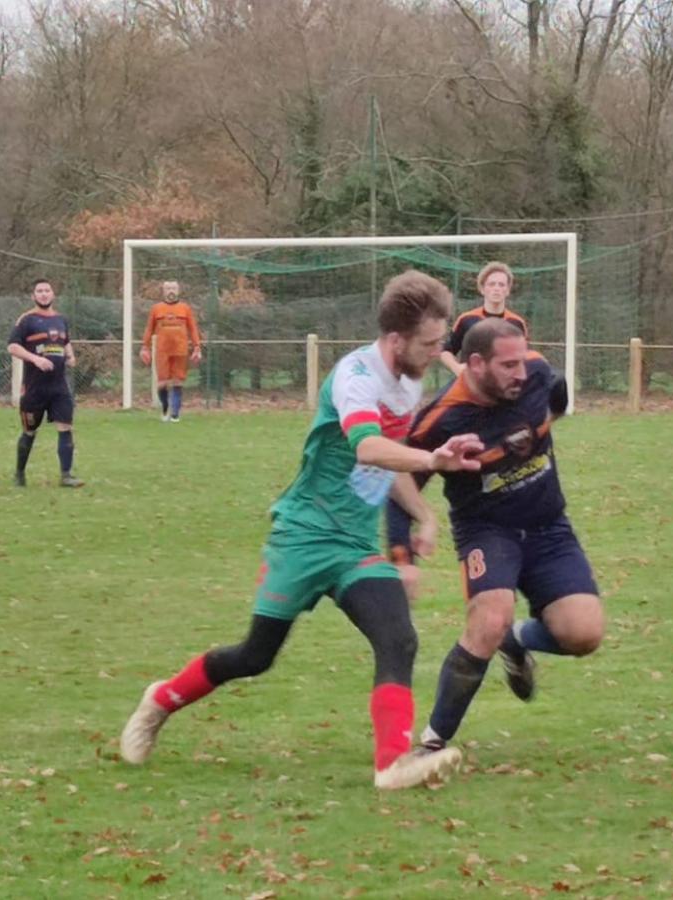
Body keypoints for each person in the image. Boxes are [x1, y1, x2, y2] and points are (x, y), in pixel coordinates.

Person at [120, 271, 485, 790]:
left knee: (398, 639)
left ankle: (391, 765)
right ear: (396, 339)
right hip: (304, 535)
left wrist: (423, 514)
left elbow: (387, 464)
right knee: (254, 656)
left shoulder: (410, 379)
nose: (437, 353)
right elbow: (366, 446)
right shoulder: (355, 376)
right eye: (429, 344)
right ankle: (160, 702)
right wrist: (434, 459)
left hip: (354, 543)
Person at [388, 318, 604, 754]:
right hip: (488, 531)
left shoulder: (537, 373)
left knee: (584, 634)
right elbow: (396, 483)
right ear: (474, 364)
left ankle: (518, 639)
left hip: (549, 527)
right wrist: (403, 558)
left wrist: (548, 416)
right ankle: (431, 743)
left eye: (521, 361)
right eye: (507, 366)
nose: (520, 374)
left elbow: (554, 398)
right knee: (489, 618)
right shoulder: (444, 418)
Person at [7, 278, 84, 488]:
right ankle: (19, 474)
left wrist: (70, 356)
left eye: (47, 290)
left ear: (53, 294)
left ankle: (66, 475)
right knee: (29, 431)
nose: (43, 294)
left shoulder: (60, 319)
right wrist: (36, 359)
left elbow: (65, 340)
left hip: (59, 386)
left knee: (66, 427)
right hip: (34, 388)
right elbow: (12, 347)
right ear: (33, 296)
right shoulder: (27, 320)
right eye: (39, 291)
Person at [439, 261, 529, 377]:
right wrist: (457, 368)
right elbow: (446, 351)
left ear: (507, 290)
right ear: (482, 289)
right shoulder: (466, 319)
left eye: (501, 285)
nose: (496, 288)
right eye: (492, 284)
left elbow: (525, 358)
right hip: (470, 388)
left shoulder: (517, 323)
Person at [140, 281, 202, 422]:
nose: (171, 291)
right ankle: (165, 407)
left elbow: (193, 328)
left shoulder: (185, 308)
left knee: (177, 381)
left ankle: (175, 413)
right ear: (163, 291)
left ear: (178, 290)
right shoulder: (156, 309)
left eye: (173, 288)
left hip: (180, 350)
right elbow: (149, 328)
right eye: (168, 288)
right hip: (162, 350)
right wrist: (145, 347)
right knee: (162, 382)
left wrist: (197, 346)